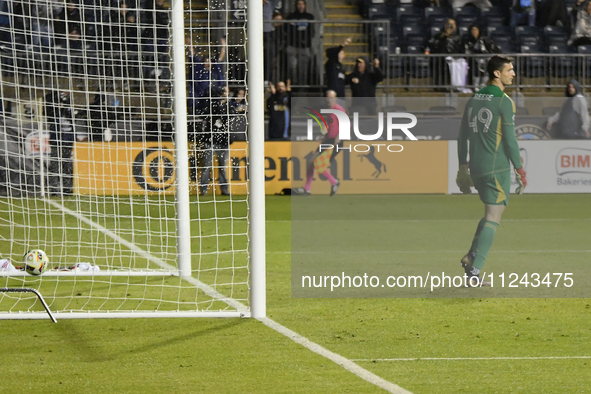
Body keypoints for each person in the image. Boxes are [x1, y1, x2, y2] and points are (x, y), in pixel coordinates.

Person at [456, 55, 527, 285]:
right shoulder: (504, 101)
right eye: (509, 70)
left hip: (476, 166)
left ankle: (471, 257)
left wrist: (461, 168)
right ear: (497, 73)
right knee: (494, 218)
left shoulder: (473, 99)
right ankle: (475, 271)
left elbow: (461, 137)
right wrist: (520, 169)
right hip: (496, 167)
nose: (513, 74)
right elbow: (510, 140)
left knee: (489, 214)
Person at [293, 90, 343, 196]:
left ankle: (334, 182)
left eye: (331, 97)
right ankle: (307, 189)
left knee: (316, 162)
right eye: (327, 97)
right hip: (329, 140)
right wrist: (324, 136)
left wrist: (338, 137)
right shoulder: (330, 110)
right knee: (312, 162)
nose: (328, 100)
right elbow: (332, 126)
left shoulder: (338, 110)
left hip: (336, 141)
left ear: (335, 98)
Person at [199, 86, 231, 196]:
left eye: (226, 91)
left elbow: (230, 116)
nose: (225, 93)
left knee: (223, 167)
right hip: (211, 140)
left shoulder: (228, 106)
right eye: (223, 91)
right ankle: (203, 189)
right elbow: (208, 115)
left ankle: (224, 189)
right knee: (206, 166)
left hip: (223, 142)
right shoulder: (212, 104)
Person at [45, 90, 75, 195]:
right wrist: (57, 107)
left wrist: (66, 109)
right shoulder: (53, 111)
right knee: (55, 164)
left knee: (66, 164)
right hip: (56, 139)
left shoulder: (68, 110)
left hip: (67, 139)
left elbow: (72, 120)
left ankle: (67, 188)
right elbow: (48, 114)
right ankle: (54, 188)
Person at [428, 18, 464, 89]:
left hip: (454, 60)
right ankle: (440, 87)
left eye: (453, 24)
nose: (451, 26)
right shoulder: (439, 36)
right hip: (441, 60)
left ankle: (455, 87)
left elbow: (461, 49)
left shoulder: (458, 37)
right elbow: (433, 45)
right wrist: (444, 36)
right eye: (449, 24)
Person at [286, 0, 315, 85]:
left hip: (304, 46)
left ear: (305, 5)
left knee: (303, 68)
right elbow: (288, 30)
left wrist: (306, 40)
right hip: (293, 45)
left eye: (302, 4)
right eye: (299, 4)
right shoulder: (291, 16)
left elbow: (311, 31)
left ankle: (302, 85)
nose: (300, 6)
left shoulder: (309, 16)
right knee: (292, 67)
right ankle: (293, 84)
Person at [463, 25, 501, 89]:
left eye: (476, 30)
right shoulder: (467, 40)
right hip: (473, 60)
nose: (474, 32)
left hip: (485, 60)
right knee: (476, 66)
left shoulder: (484, 40)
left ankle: (483, 84)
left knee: (486, 65)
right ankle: (475, 85)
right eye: (472, 30)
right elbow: (467, 51)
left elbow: (492, 49)